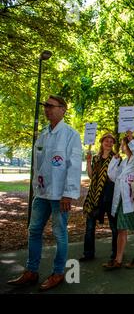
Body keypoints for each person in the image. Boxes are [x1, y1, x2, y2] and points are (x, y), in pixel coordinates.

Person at [8, 95, 82, 291]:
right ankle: (31, 271)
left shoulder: (71, 135)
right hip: (41, 194)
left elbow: (73, 166)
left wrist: (68, 193)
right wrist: (35, 189)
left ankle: (58, 273)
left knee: (59, 233)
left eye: (50, 106)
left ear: (63, 109)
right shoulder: (43, 134)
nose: (46, 109)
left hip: (60, 195)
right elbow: (38, 165)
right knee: (34, 231)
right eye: (45, 106)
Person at [103, 131, 134, 270]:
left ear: (129, 145)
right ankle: (118, 260)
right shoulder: (124, 162)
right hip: (123, 201)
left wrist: (131, 140)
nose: (121, 147)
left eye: (123, 145)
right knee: (121, 229)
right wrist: (115, 160)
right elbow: (111, 176)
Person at [80, 133, 117, 265]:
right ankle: (88, 253)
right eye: (106, 141)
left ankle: (115, 254)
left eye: (111, 141)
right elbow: (91, 176)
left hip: (109, 195)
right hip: (94, 195)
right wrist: (88, 161)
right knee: (90, 226)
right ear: (101, 142)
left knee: (114, 227)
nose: (108, 143)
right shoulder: (95, 158)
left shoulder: (116, 158)